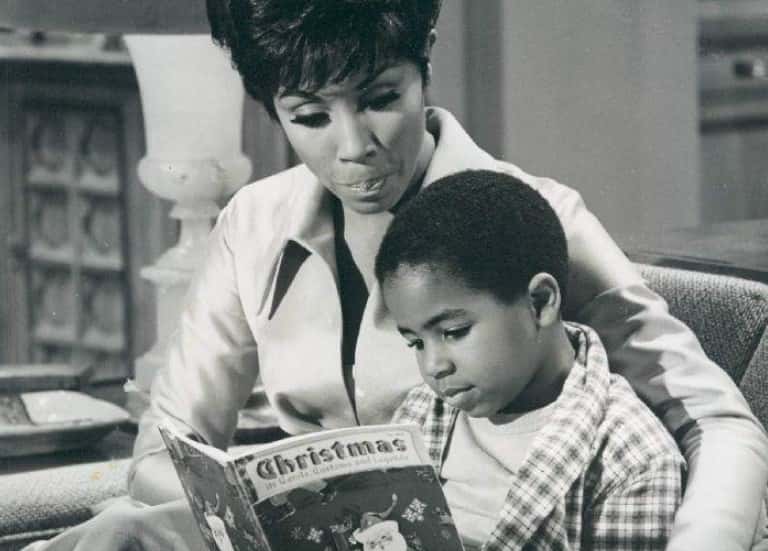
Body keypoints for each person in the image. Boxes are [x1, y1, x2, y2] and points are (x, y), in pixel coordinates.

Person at [24, 1, 768, 550]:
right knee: (120, 531)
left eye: (382, 100)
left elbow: (717, 421)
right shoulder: (252, 223)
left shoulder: (532, 219)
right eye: (309, 116)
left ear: (426, 62)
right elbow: (170, 442)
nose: (355, 149)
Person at [380, 169, 685, 550]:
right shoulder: (423, 412)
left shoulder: (631, 460)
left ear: (539, 302)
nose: (434, 366)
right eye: (416, 344)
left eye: (454, 332)